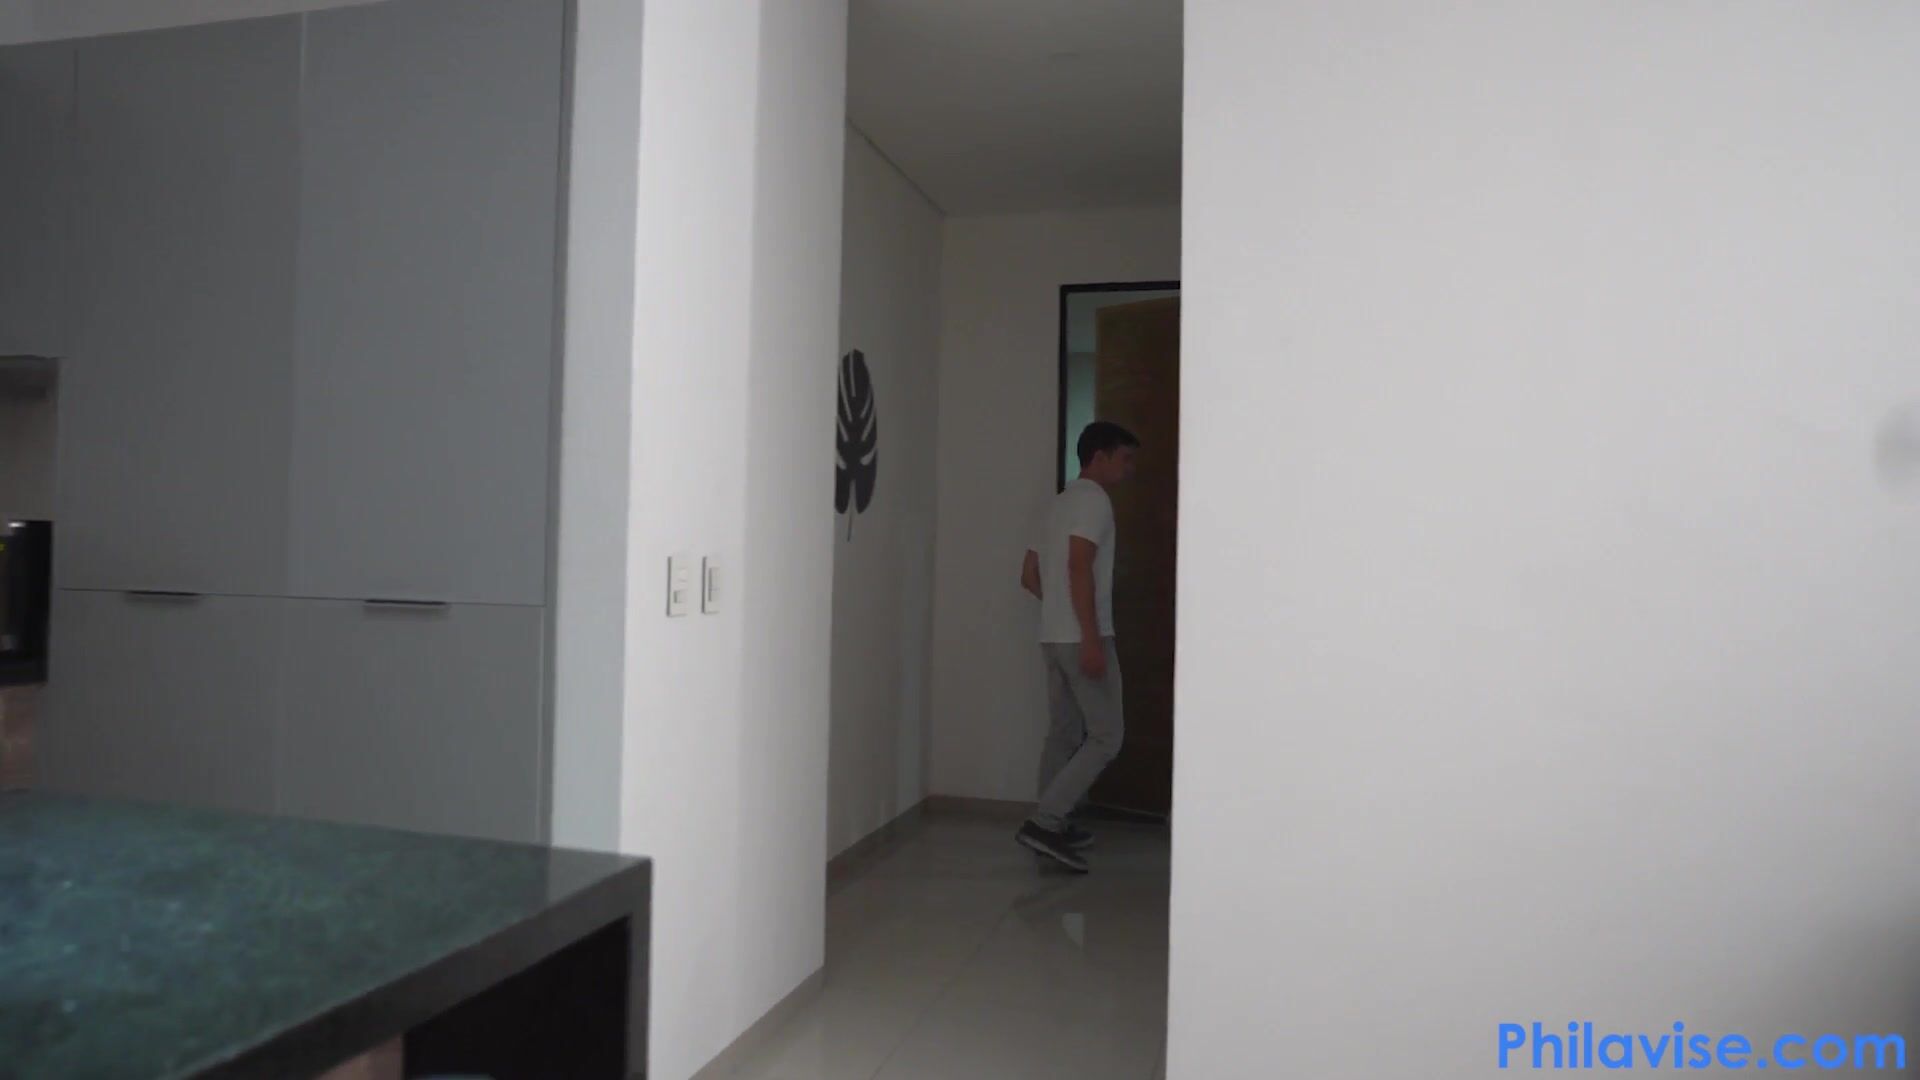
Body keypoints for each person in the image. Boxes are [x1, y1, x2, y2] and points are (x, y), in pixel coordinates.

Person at [1015, 421, 1140, 872]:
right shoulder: (1094, 502)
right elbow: (1079, 566)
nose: (1129, 468)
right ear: (1099, 457)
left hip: (1053, 636)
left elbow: (1029, 576)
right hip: (1083, 636)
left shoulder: (1057, 503)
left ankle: (1052, 822)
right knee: (1106, 735)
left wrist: (1061, 615)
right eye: (1124, 458)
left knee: (1065, 733)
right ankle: (1045, 822)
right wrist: (1088, 636)